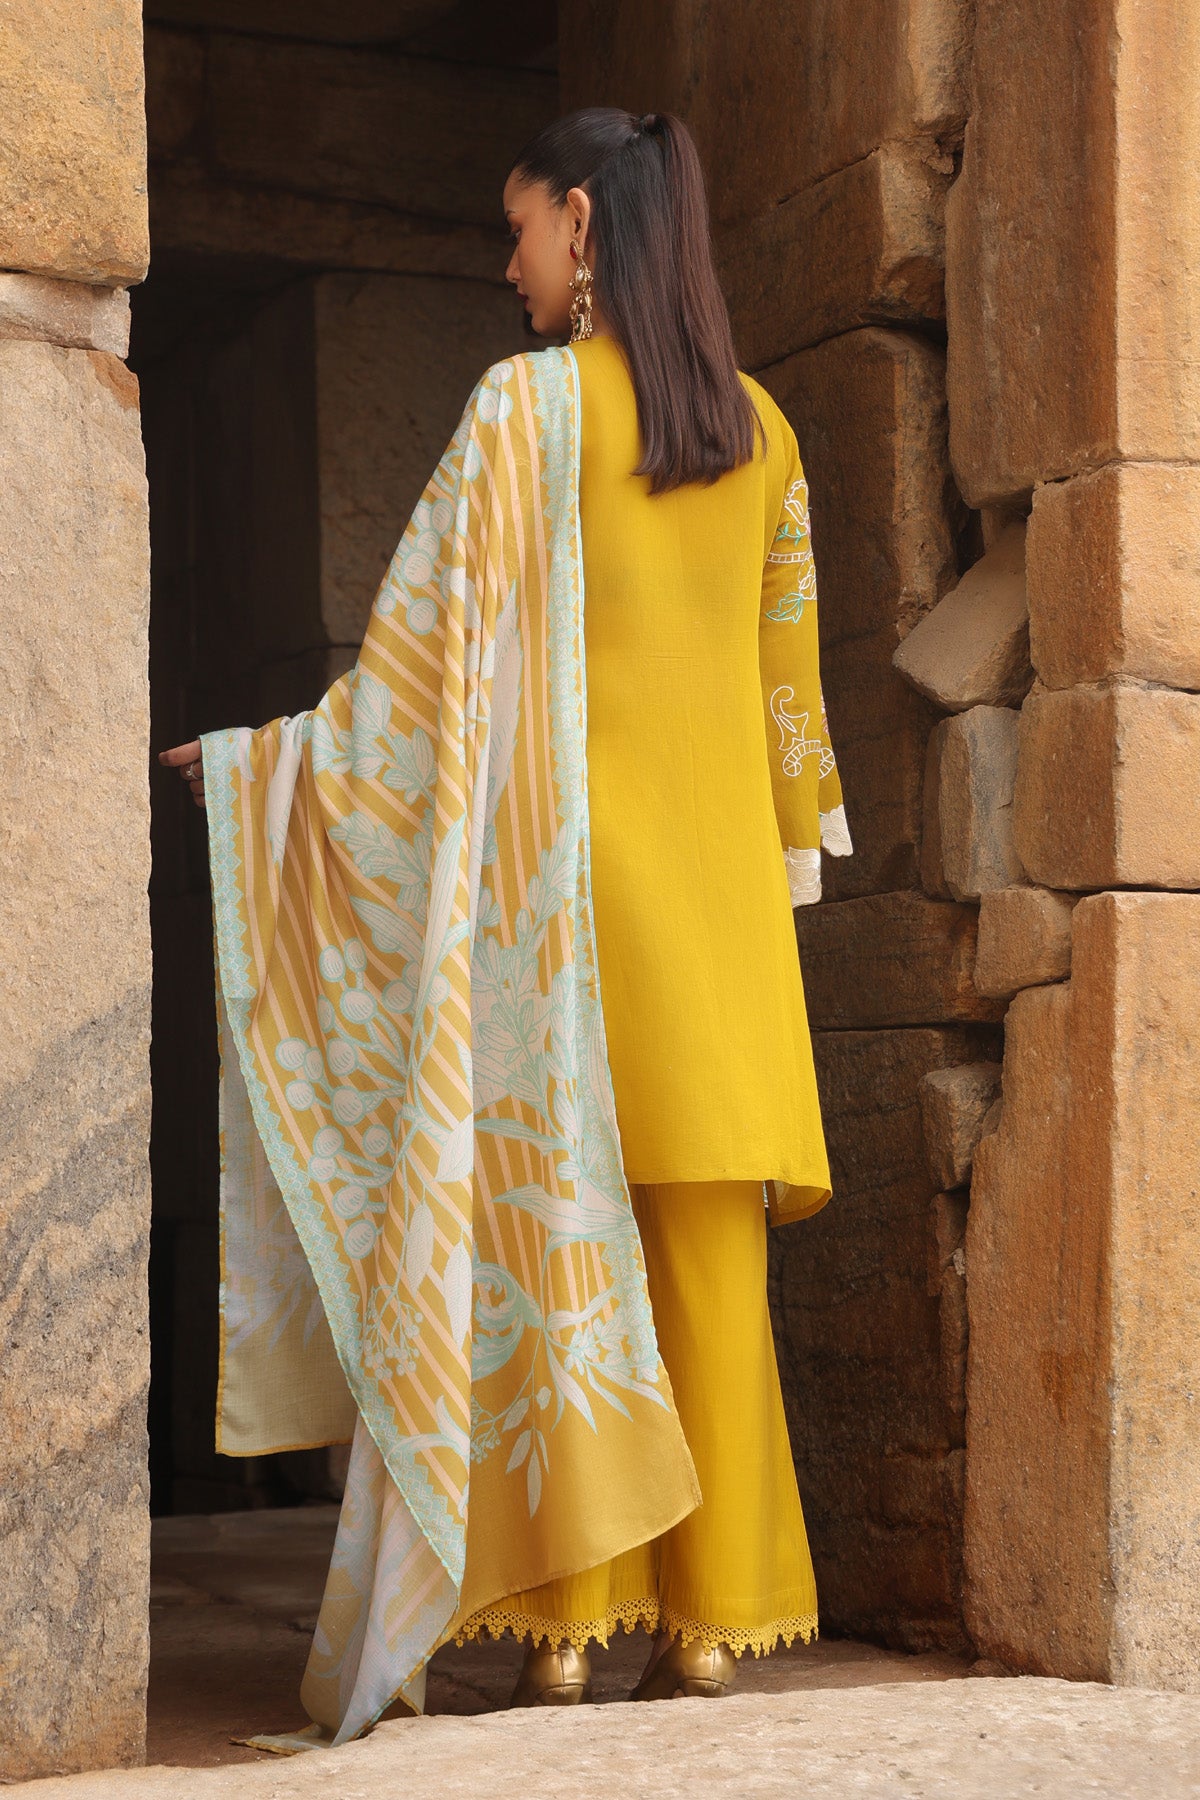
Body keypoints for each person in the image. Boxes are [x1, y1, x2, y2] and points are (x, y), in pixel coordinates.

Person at [161, 107, 850, 1747]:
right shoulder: (762, 429)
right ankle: (709, 1634)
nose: (508, 261)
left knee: (555, 1264)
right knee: (706, 1269)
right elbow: (791, 698)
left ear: (586, 228)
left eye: (520, 227)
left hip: (568, 917)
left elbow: (412, 679)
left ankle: (561, 1638)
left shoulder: (521, 411)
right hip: (725, 926)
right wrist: (778, 874)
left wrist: (268, 769)